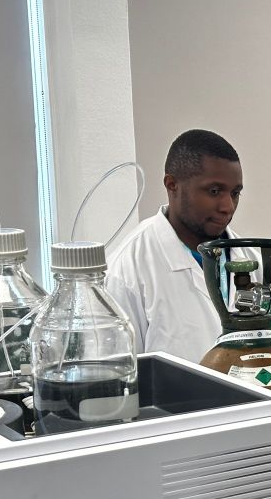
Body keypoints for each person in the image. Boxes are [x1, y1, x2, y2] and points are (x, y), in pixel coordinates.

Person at [107, 129, 255, 363]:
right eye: (214, 191)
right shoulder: (128, 270)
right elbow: (121, 376)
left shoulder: (248, 257)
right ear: (172, 184)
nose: (228, 206)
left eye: (235, 193)